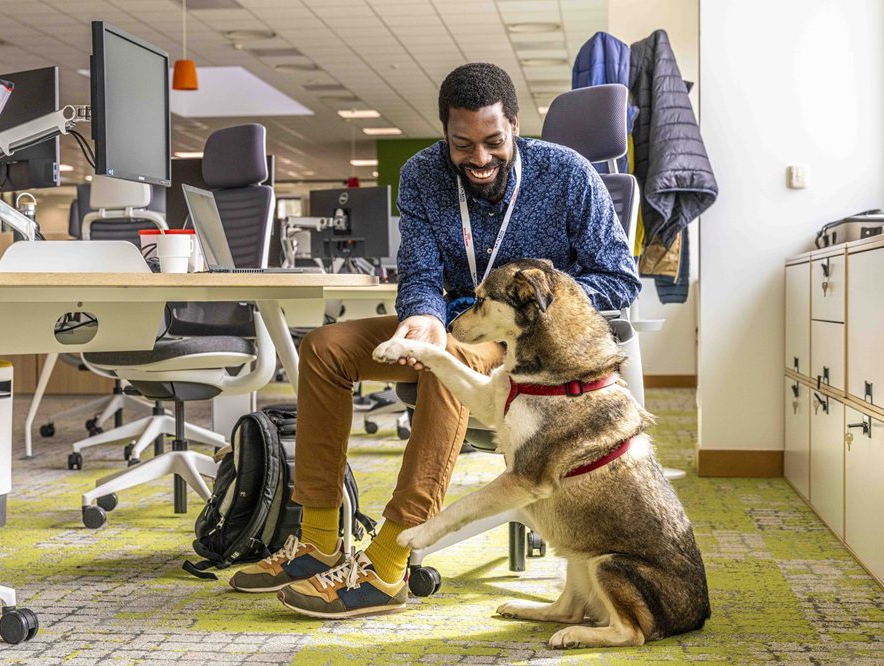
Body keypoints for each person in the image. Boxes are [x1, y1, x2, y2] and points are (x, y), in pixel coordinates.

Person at [229, 62, 641, 618]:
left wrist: (534, 302)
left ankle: (388, 561)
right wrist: (423, 317)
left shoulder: (567, 174)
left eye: (493, 142)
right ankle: (319, 539)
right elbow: (421, 272)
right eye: (462, 144)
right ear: (445, 132)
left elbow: (619, 278)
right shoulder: (423, 175)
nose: (479, 158)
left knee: (447, 358)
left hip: (526, 347)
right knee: (324, 348)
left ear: (515, 127)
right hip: (453, 323)